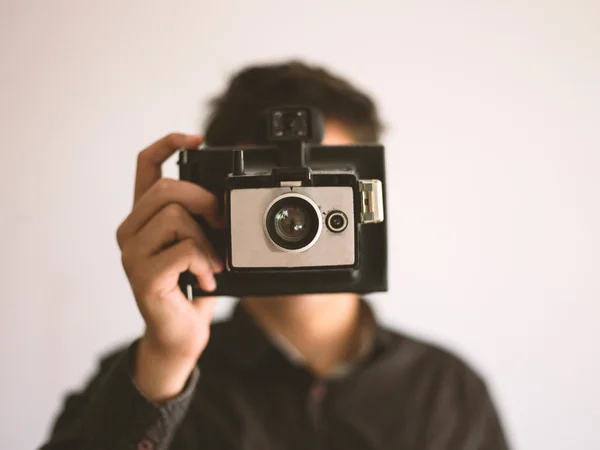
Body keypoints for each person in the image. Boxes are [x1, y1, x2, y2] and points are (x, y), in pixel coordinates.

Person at [40, 61, 510, 450]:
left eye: (323, 186)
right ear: (211, 199)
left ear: (368, 201)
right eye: (267, 190)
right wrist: (165, 364)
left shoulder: (445, 390)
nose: (294, 213)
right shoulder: (149, 371)